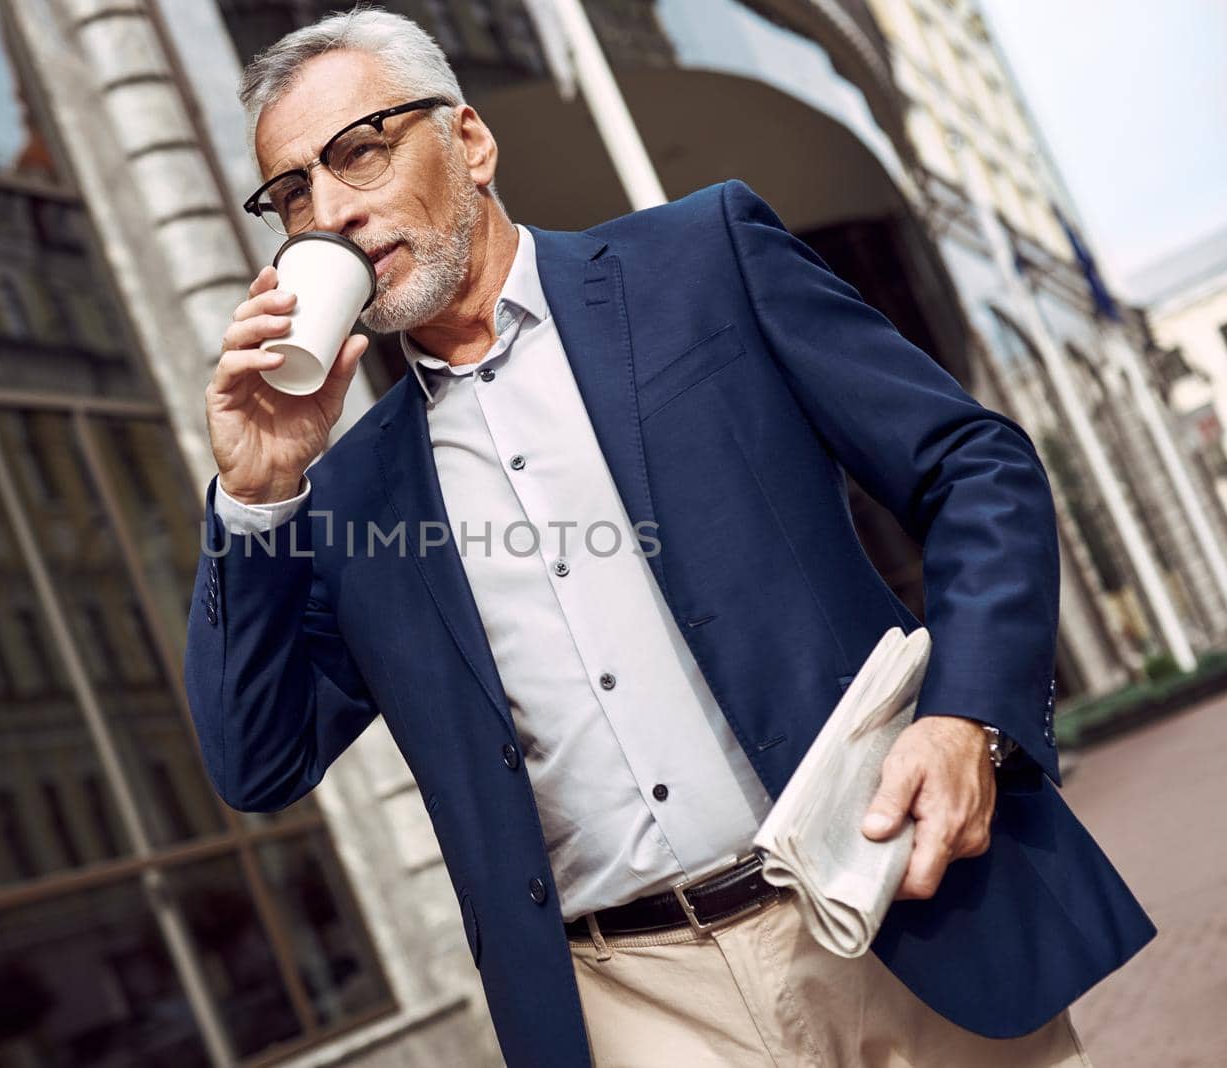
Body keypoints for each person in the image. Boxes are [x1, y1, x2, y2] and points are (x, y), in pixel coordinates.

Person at [183, 7, 1154, 1066]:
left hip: (888, 907)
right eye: (292, 194)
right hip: (635, 1005)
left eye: (357, 152)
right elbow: (257, 758)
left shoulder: (704, 263)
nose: (330, 213)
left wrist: (969, 716)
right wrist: (257, 493)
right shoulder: (351, 493)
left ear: (467, 140)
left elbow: (975, 470)